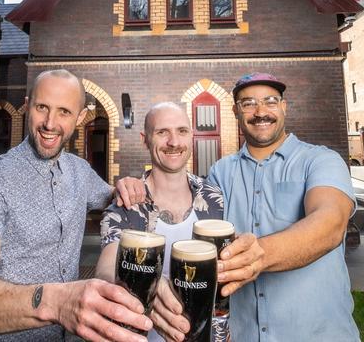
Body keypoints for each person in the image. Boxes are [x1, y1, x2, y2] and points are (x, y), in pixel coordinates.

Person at [0, 69, 151, 342]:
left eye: (64, 112)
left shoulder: (80, 171)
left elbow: (113, 196)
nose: (49, 123)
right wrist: (56, 302)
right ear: (28, 104)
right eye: (42, 107)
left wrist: (125, 185)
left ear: (79, 117)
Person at [155, 72, 358, 342]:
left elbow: (330, 224)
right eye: (248, 103)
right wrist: (135, 186)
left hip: (317, 334)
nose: (261, 112)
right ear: (236, 112)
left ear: (283, 107)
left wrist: (257, 256)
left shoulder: (320, 161)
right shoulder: (220, 172)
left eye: (270, 101)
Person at [96, 102, 259, 342]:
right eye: (162, 132)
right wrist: (147, 286)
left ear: (190, 135)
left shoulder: (216, 199)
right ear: (145, 139)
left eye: (182, 131)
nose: (174, 142)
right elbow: (105, 270)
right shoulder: (127, 205)